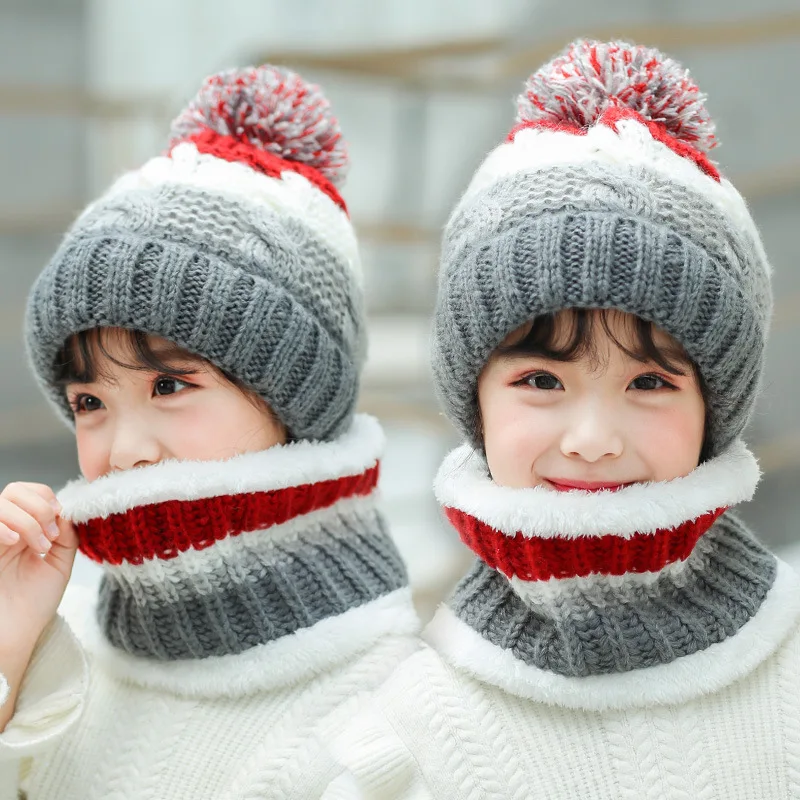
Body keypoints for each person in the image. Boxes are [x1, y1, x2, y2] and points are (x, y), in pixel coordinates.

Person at [324, 40, 800, 799]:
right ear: (470, 399)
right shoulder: (414, 723)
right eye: (542, 379)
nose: (591, 440)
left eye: (648, 381)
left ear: (717, 406)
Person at [0, 65, 419, 799]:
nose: (125, 449)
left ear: (296, 403)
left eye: (170, 386)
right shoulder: (58, 633)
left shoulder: (386, 702)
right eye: (90, 402)